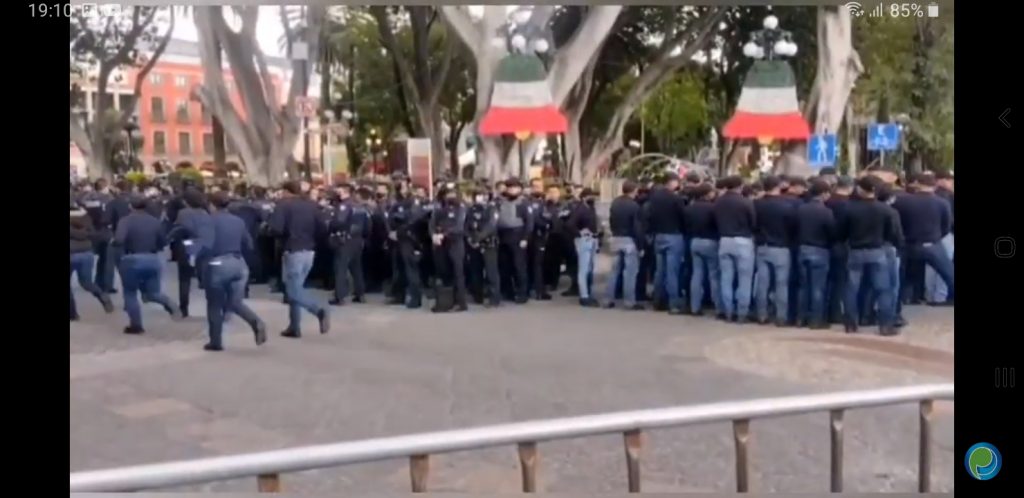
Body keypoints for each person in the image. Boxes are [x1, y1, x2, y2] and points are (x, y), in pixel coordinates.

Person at [202, 192, 268, 351]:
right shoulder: (238, 221)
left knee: (214, 304)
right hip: (238, 262)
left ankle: (216, 341)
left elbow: (203, 245)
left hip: (218, 262)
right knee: (235, 302)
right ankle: (256, 322)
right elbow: (249, 243)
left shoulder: (208, 221)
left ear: (212, 204)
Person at [838, 176, 902, 335]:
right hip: (877, 250)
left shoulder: (848, 208)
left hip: (855, 251)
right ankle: (885, 325)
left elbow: (840, 232)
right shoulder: (885, 210)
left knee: (851, 288)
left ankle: (851, 324)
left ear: (860, 189)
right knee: (883, 289)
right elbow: (892, 233)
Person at [269, 181, 331, 337]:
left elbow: (276, 228)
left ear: (286, 191)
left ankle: (318, 310)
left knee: (292, 290)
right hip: (309, 250)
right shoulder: (312, 205)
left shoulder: (283, 205)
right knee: (296, 287)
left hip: (292, 249)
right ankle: (294, 326)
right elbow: (322, 228)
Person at [112, 195, 181, 334]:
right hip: (152, 258)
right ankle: (171, 305)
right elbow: (163, 242)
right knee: (153, 293)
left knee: (130, 293)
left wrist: (114, 242)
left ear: (130, 206)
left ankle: (136, 325)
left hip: (131, 258)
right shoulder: (154, 221)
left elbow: (119, 239)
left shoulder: (125, 221)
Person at [892, 173, 954, 305]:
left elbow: (896, 222)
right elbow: (947, 225)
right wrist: (937, 236)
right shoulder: (942, 203)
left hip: (908, 243)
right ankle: (951, 298)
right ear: (934, 185)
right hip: (933, 243)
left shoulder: (902, 201)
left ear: (917, 184)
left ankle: (904, 298)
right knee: (948, 272)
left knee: (903, 273)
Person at [753, 176, 798, 326]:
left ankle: (761, 314)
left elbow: (753, 224)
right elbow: (792, 227)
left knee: (762, 283)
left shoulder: (756, 204)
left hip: (762, 247)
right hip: (781, 247)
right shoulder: (786, 206)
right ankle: (781, 316)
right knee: (781, 284)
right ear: (778, 187)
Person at [713, 175, 757, 323]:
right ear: (740, 186)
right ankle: (742, 312)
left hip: (724, 240)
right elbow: (753, 222)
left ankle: (728, 311)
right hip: (743, 241)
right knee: (744, 278)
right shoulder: (746, 203)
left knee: (726, 278)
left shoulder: (718, 202)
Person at [644, 173, 688, 314]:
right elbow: (683, 217)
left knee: (659, 271)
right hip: (673, 235)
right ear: (672, 182)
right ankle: (673, 303)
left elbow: (649, 216)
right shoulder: (675, 198)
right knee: (672, 271)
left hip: (659, 236)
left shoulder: (654, 198)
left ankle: (658, 301)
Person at [168, 188, 215, 318]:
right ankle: (213, 306)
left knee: (184, 279)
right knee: (207, 278)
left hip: (187, 246)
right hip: (205, 246)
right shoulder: (207, 212)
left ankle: (184, 308)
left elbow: (179, 228)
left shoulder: (183, 213)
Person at [796, 179, 836, 329]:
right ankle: (816, 320)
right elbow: (832, 232)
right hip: (820, 250)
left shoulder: (801, 209)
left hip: (802, 248)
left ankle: (800, 318)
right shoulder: (826, 212)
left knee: (803, 286)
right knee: (818, 287)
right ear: (824, 194)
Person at [70, 198, 115, 319]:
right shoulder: (85, 217)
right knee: (87, 283)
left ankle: (72, 314)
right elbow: (92, 233)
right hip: (86, 252)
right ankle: (102, 296)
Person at [386, 175, 427, 308]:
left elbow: (413, 220)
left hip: (409, 239)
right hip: (396, 239)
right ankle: (399, 295)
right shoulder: (396, 201)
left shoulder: (413, 201)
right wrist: (391, 232)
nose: (400, 187)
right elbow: (390, 218)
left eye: (403, 184)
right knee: (399, 269)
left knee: (411, 269)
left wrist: (398, 231)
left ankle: (416, 299)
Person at [328, 184, 371, 306]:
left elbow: (338, 222)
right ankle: (360, 294)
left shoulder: (344, 205)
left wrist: (331, 227)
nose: (337, 193)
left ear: (345, 192)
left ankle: (340, 296)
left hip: (344, 239)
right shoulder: (360, 207)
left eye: (339, 190)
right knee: (356, 268)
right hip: (357, 240)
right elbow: (368, 226)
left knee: (340, 268)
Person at [604, 180, 644, 310]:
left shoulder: (615, 203)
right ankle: (629, 301)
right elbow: (637, 227)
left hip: (616, 238)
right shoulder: (634, 206)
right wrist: (641, 245)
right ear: (633, 190)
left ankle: (608, 299)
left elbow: (611, 220)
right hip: (629, 240)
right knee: (630, 272)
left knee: (614, 271)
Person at [429, 184, 469, 312]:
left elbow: (459, 227)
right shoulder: (439, 208)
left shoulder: (461, 208)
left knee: (458, 273)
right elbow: (432, 223)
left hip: (455, 243)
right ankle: (446, 301)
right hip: (441, 244)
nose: (450, 196)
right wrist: (433, 235)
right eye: (447, 193)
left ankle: (461, 302)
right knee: (444, 272)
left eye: (452, 193)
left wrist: (443, 234)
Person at [495, 178, 534, 304]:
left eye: (514, 187)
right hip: (502, 235)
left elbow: (529, 223)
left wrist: (525, 238)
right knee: (505, 266)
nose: (511, 190)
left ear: (519, 189)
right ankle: (508, 292)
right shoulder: (500, 201)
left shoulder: (524, 203)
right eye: (509, 187)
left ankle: (522, 293)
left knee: (519, 266)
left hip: (518, 235)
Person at [684, 183, 721, 317]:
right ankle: (718, 307)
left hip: (695, 241)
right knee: (713, 275)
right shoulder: (713, 208)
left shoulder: (689, 208)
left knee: (696, 274)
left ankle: (695, 307)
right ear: (707, 194)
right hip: (710, 241)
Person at [466, 187, 501, 307]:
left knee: (491, 272)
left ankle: (494, 298)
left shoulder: (492, 209)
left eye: (483, 195)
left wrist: (478, 238)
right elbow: (466, 226)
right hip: (474, 244)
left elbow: (491, 226)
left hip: (488, 243)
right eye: (478, 195)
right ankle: (478, 296)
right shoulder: (471, 209)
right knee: (476, 271)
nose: (480, 197)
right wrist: (470, 238)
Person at [825, 177, 853, 324]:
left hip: (824, 244)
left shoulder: (827, 201)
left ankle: (824, 311)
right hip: (841, 245)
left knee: (826, 280)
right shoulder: (848, 205)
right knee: (840, 281)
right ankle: (835, 313)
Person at [566, 188, 600, 307]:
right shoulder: (580, 209)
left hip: (592, 239)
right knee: (584, 269)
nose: (594, 198)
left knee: (590, 268)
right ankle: (584, 296)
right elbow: (570, 224)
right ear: (584, 197)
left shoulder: (591, 208)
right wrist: (579, 233)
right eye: (591, 196)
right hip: (584, 240)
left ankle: (588, 293)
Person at [81, 178, 116, 293]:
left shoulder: (86, 198)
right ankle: (105, 285)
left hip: (91, 230)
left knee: (95, 258)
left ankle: (93, 281)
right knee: (107, 259)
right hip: (105, 230)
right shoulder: (109, 199)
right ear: (105, 187)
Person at [925, 170, 954, 304]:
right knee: (945, 266)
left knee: (931, 267)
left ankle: (930, 295)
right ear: (940, 180)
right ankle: (940, 297)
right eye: (949, 180)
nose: (951, 182)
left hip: (930, 234)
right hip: (945, 234)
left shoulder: (930, 195)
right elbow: (949, 219)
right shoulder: (948, 196)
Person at [528, 179, 554, 300]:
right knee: (536, 265)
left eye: (540, 187)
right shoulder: (531, 203)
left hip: (540, 236)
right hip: (534, 236)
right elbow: (538, 219)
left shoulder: (543, 202)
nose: (538, 189)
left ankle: (533, 288)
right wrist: (546, 224)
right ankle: (539, 291)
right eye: (536, 187)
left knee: (537, 264)